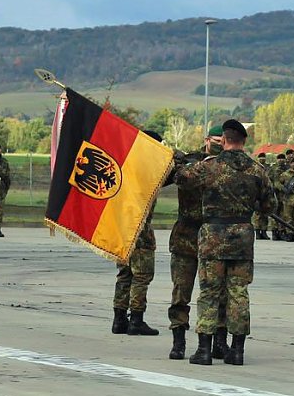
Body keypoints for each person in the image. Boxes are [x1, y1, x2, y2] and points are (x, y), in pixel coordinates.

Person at [175, 119, 274, 365]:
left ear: (225, 140)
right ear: (243, 141)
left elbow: (182, 178)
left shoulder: (211, 167)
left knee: (209, 292)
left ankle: (204, 350)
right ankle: (237, 350)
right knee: (239, 293)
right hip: (242, 237)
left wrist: (180, 159)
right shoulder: (257, 170)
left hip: (213, 236)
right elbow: (270, 205)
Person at [167, 125, 230, 360]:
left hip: (215, 239)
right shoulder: (188, 162)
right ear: (207, 140)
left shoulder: (230, 166)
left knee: (217, 293)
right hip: (187, 236)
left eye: (224, 140)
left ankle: (219, 341)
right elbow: (163, 179)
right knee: (181, 291)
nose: (220, 144)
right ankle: (178, 340)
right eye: (217, 140)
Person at [112, 130, 165, 337]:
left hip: (122, 228)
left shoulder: (125, 166)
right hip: (140, 230)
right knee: (141, 277)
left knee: (124, 275)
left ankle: (118, 319)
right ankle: (136, 320)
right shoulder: (150, 169)